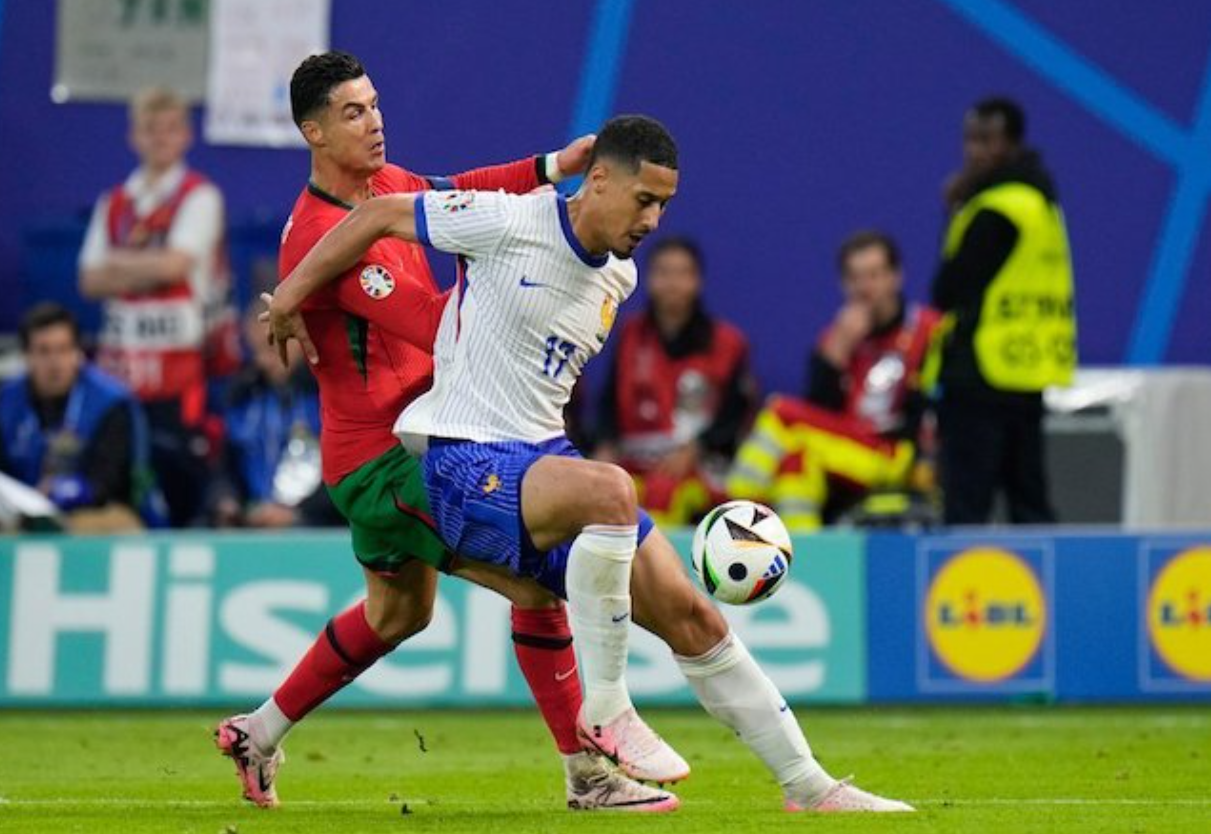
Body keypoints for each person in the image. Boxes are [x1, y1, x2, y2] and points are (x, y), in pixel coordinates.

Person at [270, 114, 912, 814]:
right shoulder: (510, 223)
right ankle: (606, 710)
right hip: (460, 461)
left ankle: (809, 787)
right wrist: (292, 296)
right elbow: (385, 214)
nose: (653, 219)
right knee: (610, 489)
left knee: (691, 614)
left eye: (665, 204)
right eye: (643, 200)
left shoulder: (621, 279)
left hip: (538, 462)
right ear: (599, 179)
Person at [214, 52, 676, 813]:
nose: (375, 121)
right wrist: (530, 269)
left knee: (400, 614)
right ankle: (588, 775)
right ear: (313, 131)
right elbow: (443, 327)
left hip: (417, 442)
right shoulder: (323, 238)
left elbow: (467, 193)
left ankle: (254, 733)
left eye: (375, 104)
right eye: (354, 113)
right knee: (534, 580)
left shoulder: (385, 188)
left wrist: (550, 166)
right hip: (384, 464)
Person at [78, 86, 236, 527]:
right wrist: (149, 266)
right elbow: (89, 280)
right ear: (134, 137)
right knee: (119, 484)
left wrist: (119, 263)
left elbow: (175, 265)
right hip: (121, 372)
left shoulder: (200, 196)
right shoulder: (115, 202)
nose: (160, 139)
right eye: (150, 130)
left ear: (185, 136)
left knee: (181, 481)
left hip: (180, 373)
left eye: (170, 130)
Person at [729, 231, 940, 529]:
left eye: (874, 276)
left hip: (898, 454)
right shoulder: (839, 334)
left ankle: (735, 510)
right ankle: (804, 557)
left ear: (896, 277)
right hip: (846, 451)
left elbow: (935, 407)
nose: (865, 288)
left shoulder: (929, 330)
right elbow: (819, 411)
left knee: (782, 413)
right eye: (856, 278)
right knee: (796, 463)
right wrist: (837, 351)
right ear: (843, 284)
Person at [931, 97, 1076, 524]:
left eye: (987, 140)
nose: (975, 151)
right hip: (1025, 370)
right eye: (970, 139)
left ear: (1011, 144)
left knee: (967, 504)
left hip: (981, 372)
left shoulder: (996, 209)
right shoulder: (1042, 203)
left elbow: (949, 288)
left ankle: (954, 588)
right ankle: (1044, 586)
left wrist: (958, 207)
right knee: (1030, 504)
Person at [595, 236, 756, 526]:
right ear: (649, 279)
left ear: (698, 281)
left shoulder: (727, 343)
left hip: (695, 469)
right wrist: (606, 445)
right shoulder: (629, 335)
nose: (672, 282)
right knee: (596, 492)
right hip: (633, 463)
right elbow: (609, 401)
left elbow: (735, 417)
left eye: (683, 273)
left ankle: (659, 570)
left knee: (663, 494)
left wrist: (697, 449)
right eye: (663, 272)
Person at [0, 303, 156, 532]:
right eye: (43, 351)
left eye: (63, 350)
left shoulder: (109, 402)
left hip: (91, 511)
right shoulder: (6, 402)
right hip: (18, 514)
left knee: (112, 524)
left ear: (77, 353)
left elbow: (108, 482)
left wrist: (63, 491)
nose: (55, 363)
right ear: (27, 356)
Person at [210, 310, 339, 528]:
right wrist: (226, 500)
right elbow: (226, 468)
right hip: (254, 525)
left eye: (272, 348)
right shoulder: (241, 397)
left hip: (320, 526)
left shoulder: (331, 396)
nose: (263, 362)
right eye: (256, 351)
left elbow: (348, 470)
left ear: (300, 338)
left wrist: (298, 514)